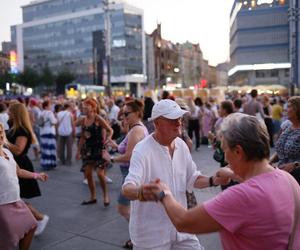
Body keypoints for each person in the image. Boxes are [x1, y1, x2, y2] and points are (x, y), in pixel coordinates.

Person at [145, 113, 300, 250]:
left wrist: (164, 193)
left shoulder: (242, 197)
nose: (225, 158)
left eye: (225, 150)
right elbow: (260, 184)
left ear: (238, 151)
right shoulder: (287, 179)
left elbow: (183, 222)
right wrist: (235, 174)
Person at [122, 99, 227, 250]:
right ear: (157, 123)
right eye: (172, 119)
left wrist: (213, 180)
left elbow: (192, 178)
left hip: (181, 229)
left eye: (179, 118)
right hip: (151, 235)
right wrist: (141, 192)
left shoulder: (181, 145)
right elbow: (127, 188)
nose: (178, 123)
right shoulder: (142, 150)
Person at [104, 99, 148, 249]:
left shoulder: (136, 130)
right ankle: (138, 237)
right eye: (122, 114)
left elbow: (129, 156)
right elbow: (131, 151)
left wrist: (110, 158)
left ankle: (141, 236)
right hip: (130, 174)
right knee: (132, 209)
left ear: (136, 113)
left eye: (126, 114)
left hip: (131, 176)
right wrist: (116, 146)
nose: (123, 117)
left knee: (123, 208)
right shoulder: (136, 128)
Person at [0, 122, 48, 250]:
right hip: (2, 203)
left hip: (15, 199)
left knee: (32, 226)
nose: (0, 135)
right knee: (8, 241)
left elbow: (19, 171)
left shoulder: (6, 151)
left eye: (1, 132)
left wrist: (37, 175)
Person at [6, 102, 50, 236]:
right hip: (11, 163)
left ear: (15, 113)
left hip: (20, 164)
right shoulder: (12, 127)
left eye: (10, 111)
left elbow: (18, 150)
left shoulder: (22, 131)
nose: (8, 112)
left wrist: (4, 141)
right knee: (13, 197)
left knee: (15, 198)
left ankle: (40, 217)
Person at [76, 98, 113, 207]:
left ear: (93, 107)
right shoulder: (83, 120)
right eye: (83, 106)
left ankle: (106, 195)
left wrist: (108, 139)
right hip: (88, 150)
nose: (84, 108)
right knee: (87, 174)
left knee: (100, 174)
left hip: (98, 149)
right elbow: (83, 137)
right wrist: (78, 150)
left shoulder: (98, 118)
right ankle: (93, 197)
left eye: (86, 106)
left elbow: (110, 130)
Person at [270, 96, 300, 185]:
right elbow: (281, 149)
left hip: (297, 177)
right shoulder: (287, 126)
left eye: (289, 106)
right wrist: (269, 161)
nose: (285, 109)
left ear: (297, 109)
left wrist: (294, 165)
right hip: (282, 175)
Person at [39, 100, 57, 170]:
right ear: (46, 106)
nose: (51, 106)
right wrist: (56, 119)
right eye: (50, 105)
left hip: (43, 132)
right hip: (50, 131)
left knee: (44, 148)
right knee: (50, 148)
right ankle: (50, 163)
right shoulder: (50, 113)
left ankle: (44, 163)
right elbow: (53, 121)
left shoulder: (41, 113)